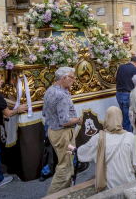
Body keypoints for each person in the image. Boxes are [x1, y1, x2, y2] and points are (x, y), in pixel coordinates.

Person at [77, 106, 136, 191]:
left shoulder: (98, 138)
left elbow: (81, 154)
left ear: (106, 118)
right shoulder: (130, 137)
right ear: (120, 118)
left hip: (110, 187)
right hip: (129, 184)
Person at [42, 67, 82, 195]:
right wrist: (77, 120)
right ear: (64, 78)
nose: (74, 80)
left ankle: (64, 193)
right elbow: (64, 121)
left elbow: (44, 113)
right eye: (72, 77)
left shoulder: (50, 90)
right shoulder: (61, 95)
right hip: (63, 134)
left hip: (53, 131)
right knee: (65, 167)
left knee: (66, 164)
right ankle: (51, 196)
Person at [116, 56, 136, 132]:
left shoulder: (121, 67)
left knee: (123, 116)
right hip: (127, 94)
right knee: (128, 118)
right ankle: (127, 136)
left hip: (118, 94)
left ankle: (122, 131)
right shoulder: (135, 70)